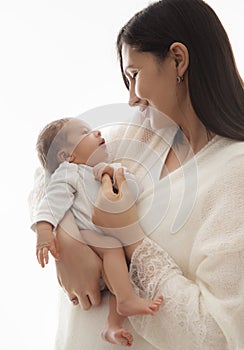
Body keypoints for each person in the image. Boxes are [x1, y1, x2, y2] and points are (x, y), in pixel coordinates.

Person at [29, 0, 244, 349]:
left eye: (134, 76)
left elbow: (218, 336)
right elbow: (49, 170)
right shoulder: (144, 132)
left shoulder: (235, 175)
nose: (130, 99)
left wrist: (128, 234)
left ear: (178, 59)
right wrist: (66, 242)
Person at [31, 117, 163, 347]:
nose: (98, 134)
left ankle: (112, 325)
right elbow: (51, 202)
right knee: (113, 249)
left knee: (122, 266)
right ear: (66, 156)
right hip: (87, 239)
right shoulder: (69, 174)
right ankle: (126, 299)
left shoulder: (106, 168)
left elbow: (133, 189)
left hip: (103, 242)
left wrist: (111, 174)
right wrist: (44, 231)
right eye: (86, 133)